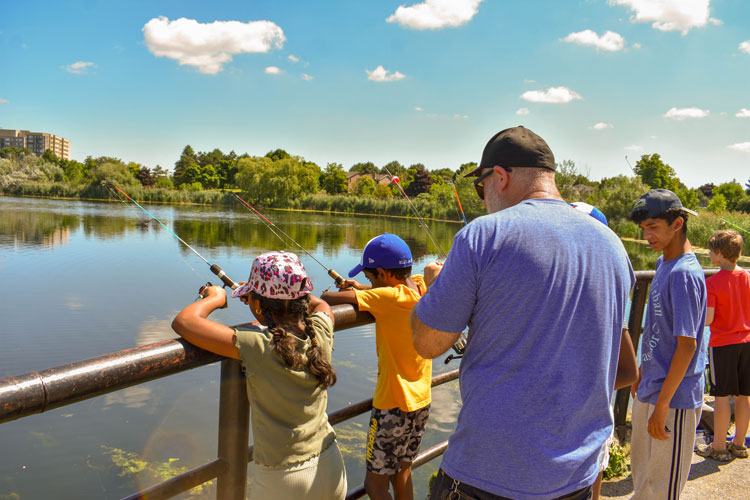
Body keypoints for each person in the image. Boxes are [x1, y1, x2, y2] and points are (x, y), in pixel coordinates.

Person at [410, 126, 635, 500]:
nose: (482, 201)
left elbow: (429, 342)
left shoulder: (482, 236)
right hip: (576, 477)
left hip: (486, 477)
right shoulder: (613, 246)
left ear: (500, 176)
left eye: (481, 187)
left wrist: (437, 287)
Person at [171, 251, 347, 500]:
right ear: (300, 299)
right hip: (330, 464)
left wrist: (216, 297)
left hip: (284, 480)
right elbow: (322, 305)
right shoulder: (319, 330)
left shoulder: (258, 345)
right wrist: (272, 294)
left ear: (256, 304)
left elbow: (185, 322)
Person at [322, 233, 435, 500]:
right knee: (402, 471)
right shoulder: (420, 286)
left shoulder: (387, 299)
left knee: (375, 484)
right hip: (421, 401)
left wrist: (348, 291)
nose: (369, 282)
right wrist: (362, 287)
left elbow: (328, 297)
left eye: (371, 277)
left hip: (392, 403)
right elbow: (389, 290)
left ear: (383, 273)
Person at [628, 189, 707, 500]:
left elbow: (687, 346)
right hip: (652, 386)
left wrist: (662, 405)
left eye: (654, 227)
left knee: (663, 487)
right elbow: (659, 329)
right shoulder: (663, 264)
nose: (648, 236)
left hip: (674, 399)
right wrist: (641, 371)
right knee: (643, 478)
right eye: (644, 229)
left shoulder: (685, 274)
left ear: (678, 223)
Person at [569, 202, 638, 500]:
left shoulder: (604, 304)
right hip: (584, 418)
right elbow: (629, 372)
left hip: (580, 419)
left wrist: (575, 389)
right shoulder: (603, 299)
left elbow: (629, 372)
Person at [696, 230, 750, 461]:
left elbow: (708, 319)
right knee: (743, 396)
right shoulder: (748, 277)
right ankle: (738, 445)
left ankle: (718, 447)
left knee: (721, 397)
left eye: (710, 250)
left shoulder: (713, 283)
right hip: (747, 342)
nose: (709, 254)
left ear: (718, 253)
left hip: (722, 345)